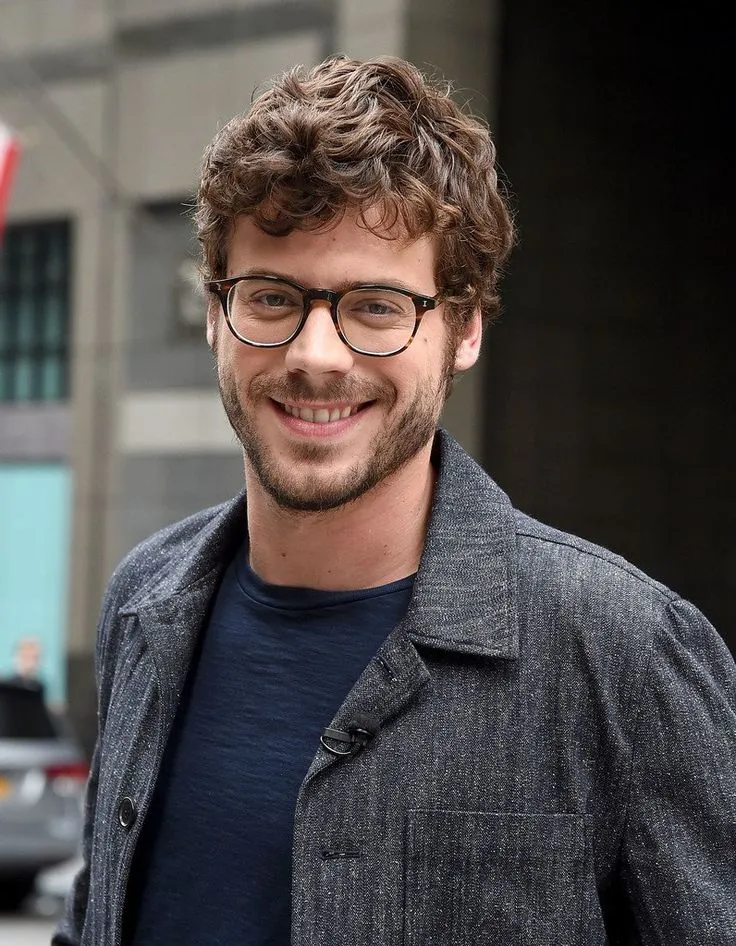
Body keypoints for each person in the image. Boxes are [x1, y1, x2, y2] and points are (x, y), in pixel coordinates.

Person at [54, 56, 735, 946]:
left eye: (377, 307)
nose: (317, 354)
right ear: (217, 314)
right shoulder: (144, 604)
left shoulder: (623, 653)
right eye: (271, 297)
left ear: (466, 326)